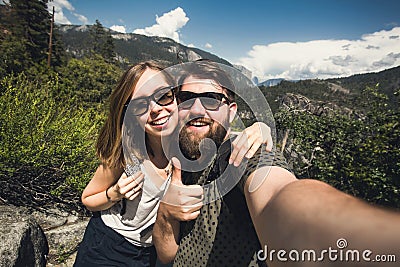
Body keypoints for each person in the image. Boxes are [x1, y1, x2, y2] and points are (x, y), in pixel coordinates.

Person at [153, 60, 400, 267]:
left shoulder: (244, 154)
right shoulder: (178, 156)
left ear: (231, 111)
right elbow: (167, 255)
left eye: (211, 99)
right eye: (186, 98)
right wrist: (165, 214)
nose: (197, 109)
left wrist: (363, 234)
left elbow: (279, 193)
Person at [74, 60, 274, 267]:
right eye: (141, 104)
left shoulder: (188, 144)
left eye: (163, 96)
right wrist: (115, 193)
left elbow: (217, 132)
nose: (155, 109)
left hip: (152, 252)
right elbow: (88, 198)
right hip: (109, 245)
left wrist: (259, 129)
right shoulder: (129, 153)